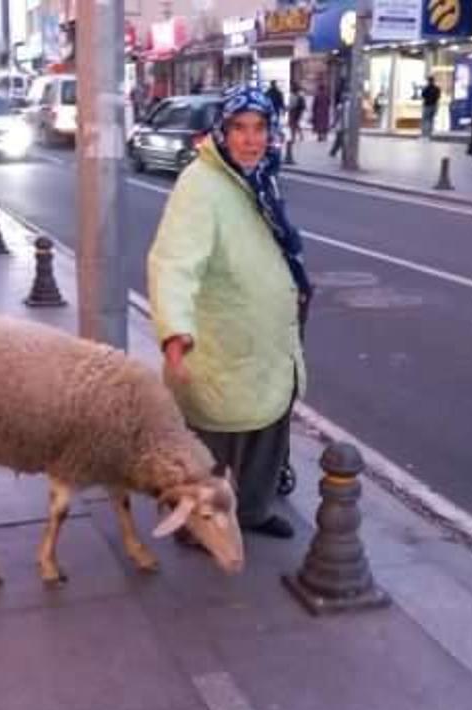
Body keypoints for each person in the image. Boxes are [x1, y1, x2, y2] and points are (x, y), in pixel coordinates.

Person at [148, 85, 310, 541]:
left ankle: (254, 510)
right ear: (221, 131)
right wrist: (175, 331)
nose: (250, 139)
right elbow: (173, 262)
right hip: (223, 343)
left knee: (268, 431)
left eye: (259, 128)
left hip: (267, 341)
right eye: (239, 128)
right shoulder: (201, 184)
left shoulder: (260, 177)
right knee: (213, 445)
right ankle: (195, 526)